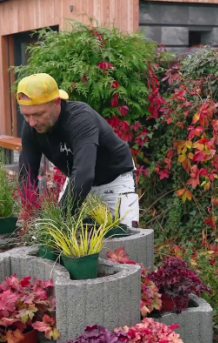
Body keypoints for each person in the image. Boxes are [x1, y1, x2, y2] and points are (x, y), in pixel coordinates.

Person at [16, 73, 140, 228]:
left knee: (127, 242)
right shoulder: (32, 126)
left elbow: (84, 174)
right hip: (77, 180)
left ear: (56, 102)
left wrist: (59, 220)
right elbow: (27, 171)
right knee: (64, 241)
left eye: (38, 114)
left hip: (114, 181)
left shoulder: (80, 119)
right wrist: (30, 212)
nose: (32, 122)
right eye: (26, 115)